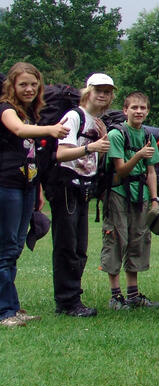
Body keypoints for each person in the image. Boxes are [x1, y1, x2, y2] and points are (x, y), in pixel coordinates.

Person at [0, 63, 69, 327]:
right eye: (23, 84)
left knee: (15, 248)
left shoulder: (29, 113)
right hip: (6, 185)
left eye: (33, 84)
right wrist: (50, 129)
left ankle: (11, 307)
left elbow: (29, 154)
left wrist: (37, 187)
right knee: (6, 249)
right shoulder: (6, 109)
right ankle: (4, 312)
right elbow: (18, 130)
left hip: (26, 185)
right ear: (12, 86)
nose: (29, 89)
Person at [45, 72, 114, 317]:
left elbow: (93, 158)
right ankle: (67, 301)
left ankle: (72, 297)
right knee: (67, 246)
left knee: (79, 248)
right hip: (66, 185)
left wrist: (98, 147)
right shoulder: (74, 116)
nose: (103, 95)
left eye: (107, 92)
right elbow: (60, 153)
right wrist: (90, 146)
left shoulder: (96, 121)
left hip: (83, 188)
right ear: (88, 91)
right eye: (98, 91)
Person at [103, 91, 159, 310]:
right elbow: (121, 170)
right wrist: (138, 155)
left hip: (141, 195)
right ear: (125, 110)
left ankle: (133, 294)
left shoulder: (147, 136)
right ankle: (115, 295)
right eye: (134, 108)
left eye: (142, 108)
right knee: (117, 239)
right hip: (119, 193)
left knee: (138, 240)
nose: (138, 111)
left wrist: (154, 199)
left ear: (147, 111)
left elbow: (151, 171)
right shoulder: (116, 135)